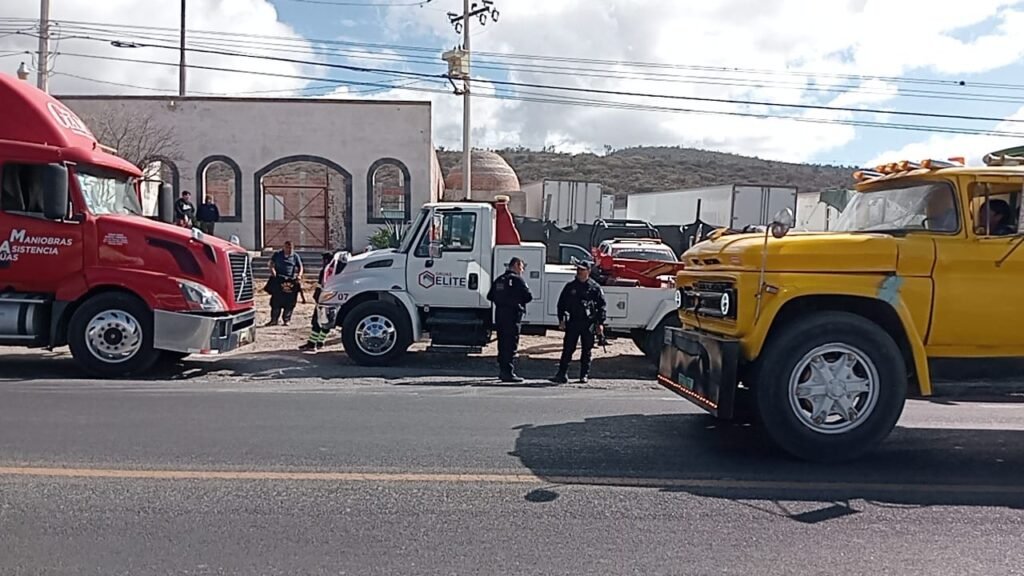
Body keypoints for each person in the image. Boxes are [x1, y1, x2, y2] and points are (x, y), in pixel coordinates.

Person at [551, 262, 607, 384]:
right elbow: (561, 304)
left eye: (582, 270)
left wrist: (600, 323)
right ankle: (561, 374)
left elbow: (601, 306)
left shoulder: (594, 288)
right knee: (568, 348)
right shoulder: (570, 287)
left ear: (588, 271)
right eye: (578, 270)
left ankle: (584, 375)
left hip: (588, 323)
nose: (579, 272)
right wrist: (561, 320)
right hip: (573, 321)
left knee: (586, 350)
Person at [486, 257, 534, 382]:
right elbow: (528, 296)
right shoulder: (517, 280)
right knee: (511, 344)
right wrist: (515, 301)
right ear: (516, 265)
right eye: (522, 267)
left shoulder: (499, 279)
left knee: (502, 344)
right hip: (513, 317)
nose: (522, 270)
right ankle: (508, 373)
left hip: (500, 316)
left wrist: (502, 301)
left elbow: (490, 296)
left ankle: (503, 371)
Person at [299, 252, 340, 352]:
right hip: (334, 298)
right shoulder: (338, 270)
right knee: (327, 321)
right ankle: (320, 342)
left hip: (323, 298)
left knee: (316, 321)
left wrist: (316, 297)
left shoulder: (325, 271)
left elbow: (320, 285)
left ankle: (312, 344)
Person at [265, 241, 303, 326]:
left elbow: (300, 267)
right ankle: (274, 320)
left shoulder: (295, 256)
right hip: (278, 280)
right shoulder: (277, 254)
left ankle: (286, 320)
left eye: (290, 248)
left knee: (290, 302)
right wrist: (272, 270)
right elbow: (271, 263)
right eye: (287, 248)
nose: (289, 250)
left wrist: (299, 275)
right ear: (284, 247)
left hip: (290, 281)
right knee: (276, 301)